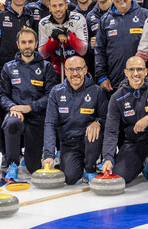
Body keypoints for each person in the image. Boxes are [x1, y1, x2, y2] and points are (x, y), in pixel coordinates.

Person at [102, 56, 148, 189]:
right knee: (121, 178)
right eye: (131, 70)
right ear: (125, 73)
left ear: (146, 72)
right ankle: (142, 164)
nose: (135, 73)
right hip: (134, 142)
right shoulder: (117, 98)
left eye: (139, 69)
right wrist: (108, 158)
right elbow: (111, 130)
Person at [0, 28, 55, 180]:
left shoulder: (46, 67)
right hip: (16, 114)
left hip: (37, 116)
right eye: (23, 42)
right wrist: (12, 107)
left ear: (36, 43)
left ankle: (29, 160)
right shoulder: (8, 67)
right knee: (12, 123)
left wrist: (31, 107)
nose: (27, 46)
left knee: (33, 168)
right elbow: (2, 94)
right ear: (18, 44)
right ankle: (12, 164)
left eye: (30, 42)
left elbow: (50, 95)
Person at [43, 55, 107, 185]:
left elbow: (106, 118)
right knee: (70, 178)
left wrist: (98, 122)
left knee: (94, 130)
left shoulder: (97, 92)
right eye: (71, 70)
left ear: (85, 70)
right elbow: (50, 124)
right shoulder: (56, 92)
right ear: (65, 71)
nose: (75, 73)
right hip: (69, 143)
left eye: (78, 69)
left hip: (89, 139)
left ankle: (90, 168)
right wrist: (49, 155)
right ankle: (77, 165)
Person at [95, 0, 148, 92]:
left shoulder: (146, 15)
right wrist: (102, 77)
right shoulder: (105, 20)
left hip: (142, 79)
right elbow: (99, 50)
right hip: (114, 81)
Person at [37, 0, 89, 76]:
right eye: (54, 6)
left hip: (77, 70)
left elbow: (83, 50)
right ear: (49, 8)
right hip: (56, 72)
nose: (58, 9)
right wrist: (53, 39)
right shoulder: (44, 23)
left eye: (60, 5)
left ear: (66, 6)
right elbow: (43, 55)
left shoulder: (78, 19)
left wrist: (68, 34)